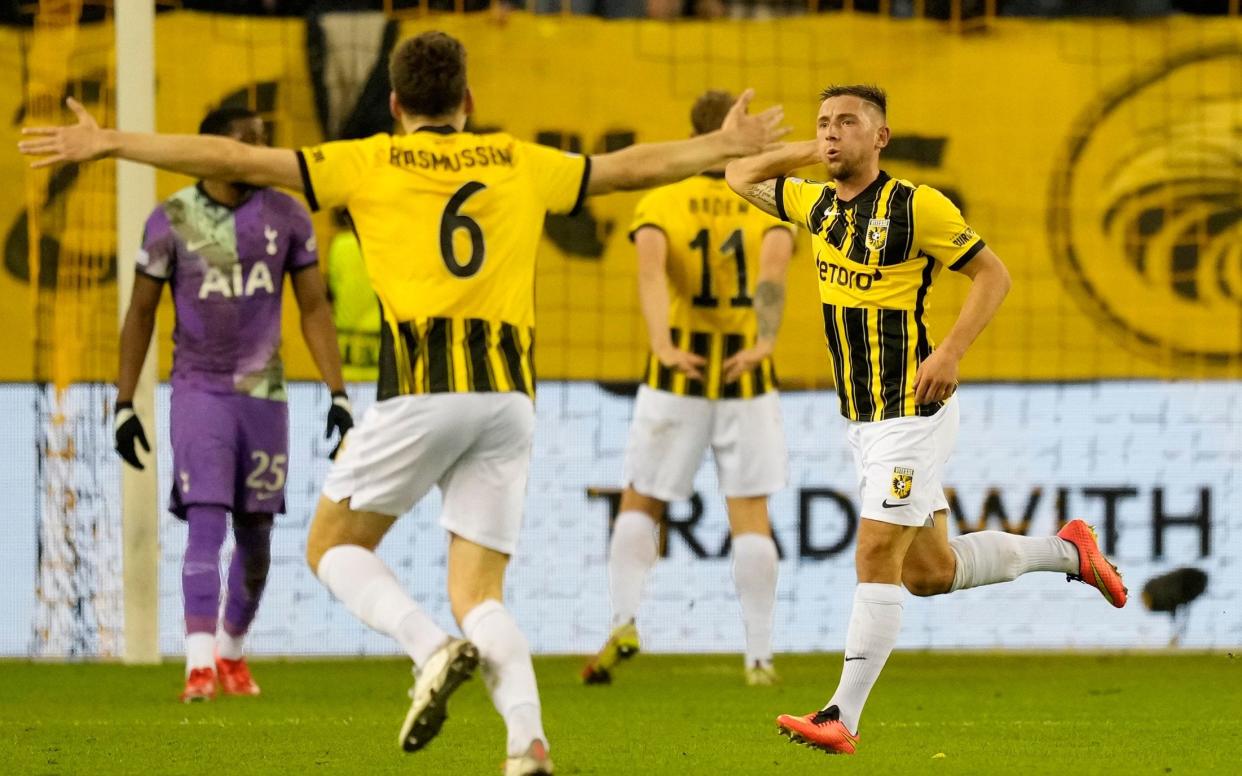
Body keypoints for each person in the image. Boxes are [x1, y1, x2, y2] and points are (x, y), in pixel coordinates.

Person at [22, 31, 786, 774]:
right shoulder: (519, 160)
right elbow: (626, 169)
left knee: (332, 546)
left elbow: (229, 157)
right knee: (480, 593)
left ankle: (427, 649)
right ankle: (528, 744)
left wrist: (111, 142)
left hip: (421, 389)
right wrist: (719, 147)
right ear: (469, 99)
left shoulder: (368, 161)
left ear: (393, 103)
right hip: (508, 400)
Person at [724, 84, 1127, 755]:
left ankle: (840, 717)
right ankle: (1070, 552)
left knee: (875, 552)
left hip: (912, 406)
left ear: (881, 137)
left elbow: (993, 275)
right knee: (929, 573)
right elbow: (738, 174)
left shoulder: (917, 207)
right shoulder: (815, 203)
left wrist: (950, 350)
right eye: (824, 123)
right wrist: (810, 148)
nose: (831, 133)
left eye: (847, 123)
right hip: (863, 417)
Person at [111, 106, 353, 703]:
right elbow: (141, 312)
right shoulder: (170, 220)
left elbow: (315, 308)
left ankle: (232, 650)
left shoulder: (288, 216)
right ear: (214, 148)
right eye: (247, 144)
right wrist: (123, 403)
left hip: (265, 398)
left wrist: (338, 392)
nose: (258, 155)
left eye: (265, 143)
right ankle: (197, 664)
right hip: (199, 391)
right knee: (206, 519)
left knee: (257, 536)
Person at [582, 90, 794, 688]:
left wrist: (662, 344)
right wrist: (765, 342)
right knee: (750, 513)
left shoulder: (661, 202)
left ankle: (622, 622)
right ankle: (758, 657)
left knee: (641, 501)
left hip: (678, 372)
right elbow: (773, 278)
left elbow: (650, 273)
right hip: (745, 374)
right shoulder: (768, 205)